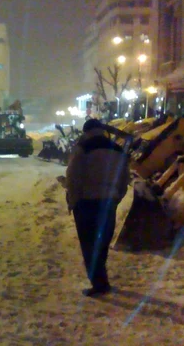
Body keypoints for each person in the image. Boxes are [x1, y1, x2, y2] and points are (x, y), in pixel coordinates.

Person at [65, 118, 130, 297]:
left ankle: (99, 283)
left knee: (89, 243)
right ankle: (102, 280)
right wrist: (116, 197)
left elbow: (73, 177)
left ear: (86, 131)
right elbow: (124, 179)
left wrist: (73, 200)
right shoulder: (118, 150)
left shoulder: (82, 148)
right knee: (102, 243)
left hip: (86, 202)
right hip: (108, 202)